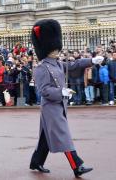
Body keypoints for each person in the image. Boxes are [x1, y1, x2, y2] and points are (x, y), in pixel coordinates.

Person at [29, 19, 103, 177]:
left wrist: (91, 61)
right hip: (51, 108)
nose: (57, 50)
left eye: (57, 48)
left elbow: (74, 65)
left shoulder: (57, 63)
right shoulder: (42, 67)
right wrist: (61, 92)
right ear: (46, 48)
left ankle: (36, 161)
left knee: (46, 137)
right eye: (53, 48)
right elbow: (43, 90)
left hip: (59, 106)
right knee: (63, 135)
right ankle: (77, 166)